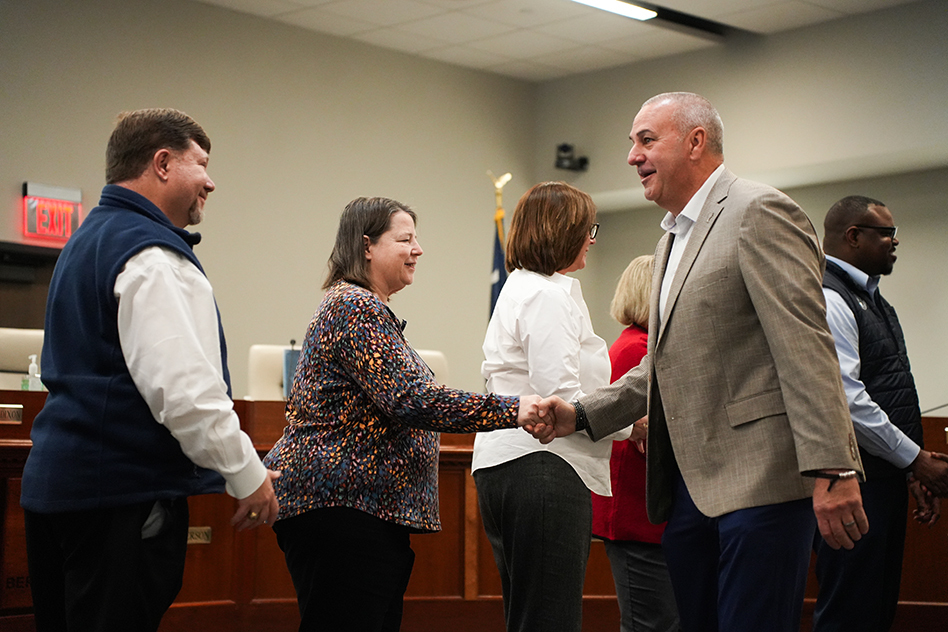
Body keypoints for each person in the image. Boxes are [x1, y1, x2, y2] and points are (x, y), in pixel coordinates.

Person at [531, 92, 867, 632]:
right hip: (689, 495)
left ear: (695, 141)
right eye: (632, 143)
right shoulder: (672, 239)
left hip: (762, 486)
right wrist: (583, 413)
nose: (632, 156)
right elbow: (663, 361)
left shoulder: (759, 211)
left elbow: (806, 347)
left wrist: (834, 466)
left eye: (646, 140)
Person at [20, 108, 280, 632]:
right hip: (119, 498)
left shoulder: (86, 241)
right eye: (200, 164)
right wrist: (246, 474)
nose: (211, 181)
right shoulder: (152, 254)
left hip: (58, 492)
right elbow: (186, 394)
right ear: (162, 163)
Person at [262, 196, 545, 632]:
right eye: (405, 239)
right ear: (367, 245)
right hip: (344, 508)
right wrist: (516, 408)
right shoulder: (354, 306)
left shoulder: (364, 308)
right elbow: (413, 399)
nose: (418, 249)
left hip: (358, 511)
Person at [471, 181, 637, 632]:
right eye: (588, 228)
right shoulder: (544, 296)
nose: (592, 239)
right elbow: (559, 400)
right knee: (549, 619)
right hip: (543, 464)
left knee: (531, 616)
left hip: (512, 464)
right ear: (561, 231)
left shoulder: (525, 288)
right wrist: (630, 424)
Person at [812, 195, 946, 632]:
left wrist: (907, 470)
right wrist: (915, 460)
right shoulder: (831, 298)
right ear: (853, 236)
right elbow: (848, 401)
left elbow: (889, 392)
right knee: (850, 614)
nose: (895, 241)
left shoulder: (870, 298)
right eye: (887, 233)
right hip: (852, 485)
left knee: (876, 611)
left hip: (881, 479)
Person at [591, 254, 679, 632]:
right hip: (635, 516)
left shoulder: (641, 344)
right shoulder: (638, 350)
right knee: (651, 625)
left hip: (646, 516)